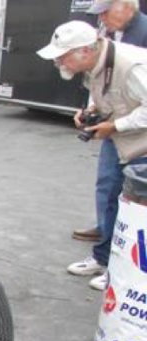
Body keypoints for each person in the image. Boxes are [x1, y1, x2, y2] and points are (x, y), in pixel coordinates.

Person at [38, 20, 147, 290]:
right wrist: (90, 110)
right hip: (120, 138)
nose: (59, 63)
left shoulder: (132, 65)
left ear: (84, 50)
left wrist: (115, 126)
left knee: (136, 211)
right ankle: (103, 258)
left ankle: (128, 273)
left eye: (62, 57)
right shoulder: (96, 63)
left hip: (140, 143)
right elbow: (102, 91)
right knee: (110, 194)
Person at [73, 0, 147, 245]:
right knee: (107, 183)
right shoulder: (106, 34)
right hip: (116, 124)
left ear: (127, 6)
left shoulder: (142, 36)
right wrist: (93, 108)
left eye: (105, 12)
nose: (101, 18)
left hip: (138, 132)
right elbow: (101, 78)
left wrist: (117, 125)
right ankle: (105, 231)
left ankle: (119, 244)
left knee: (133, 194)